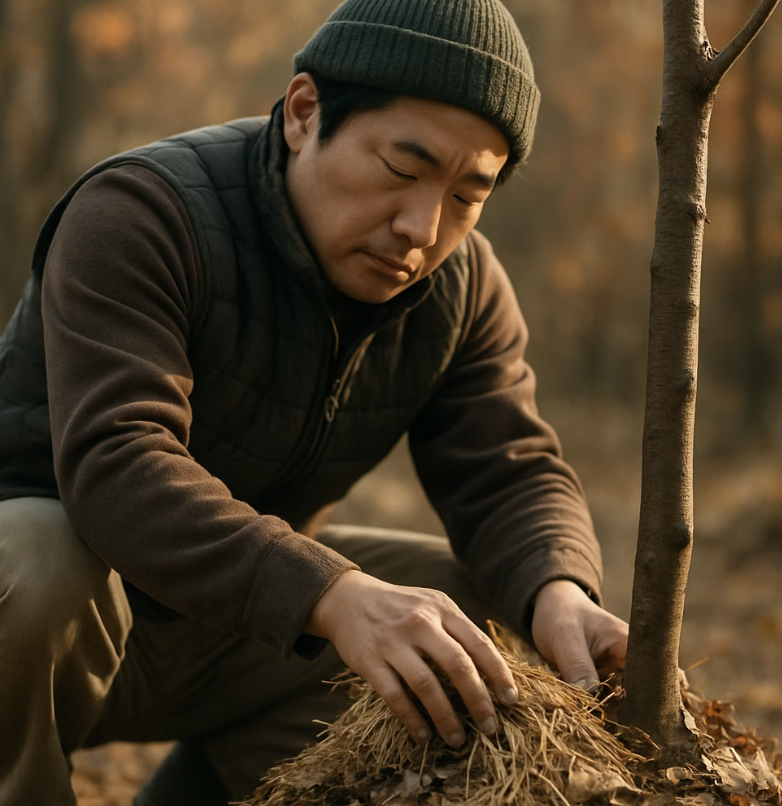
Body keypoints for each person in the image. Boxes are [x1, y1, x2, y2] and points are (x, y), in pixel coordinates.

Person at [0, 0, 629, 803]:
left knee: (474, 619)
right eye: (402, 169)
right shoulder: (142, 214)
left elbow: (509, 471)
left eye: (468, 197)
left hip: (233, 626)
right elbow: (118, 463)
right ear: (304, 113)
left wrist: (559, 592)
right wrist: (331, 595)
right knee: (36, 554)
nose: (421, 227)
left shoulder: (462, 289)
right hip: (53, 629)